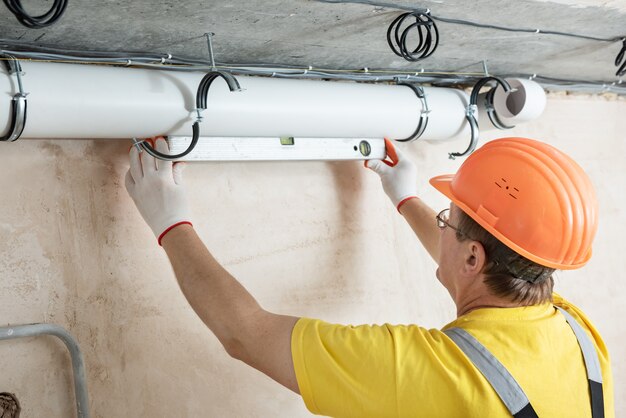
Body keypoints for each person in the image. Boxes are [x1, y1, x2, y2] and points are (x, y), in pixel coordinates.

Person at [125, 136, 614, 417]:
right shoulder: (575, 332)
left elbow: (245, 333)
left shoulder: (428, 372)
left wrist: (170, 221)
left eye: (448, 220)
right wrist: (405, 198)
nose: (441, 225)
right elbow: (477, 263)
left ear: (472, 258)